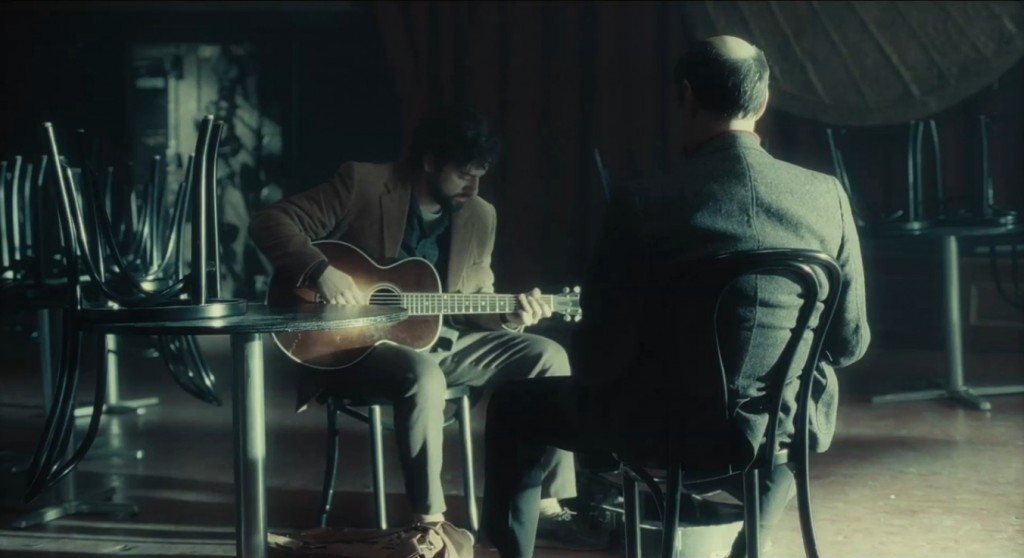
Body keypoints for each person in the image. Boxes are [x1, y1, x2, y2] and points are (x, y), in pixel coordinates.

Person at [481, 35, 871, 558]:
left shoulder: (643, 203)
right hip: (775, 427)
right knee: (791, 409)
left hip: (659, 430)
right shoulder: (827, 196)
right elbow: (848, 344)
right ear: (763, 100)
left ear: (686, 97)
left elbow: (598, 360)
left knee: (513, 405)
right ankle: (752, 541)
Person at [248, 105, 606, 550]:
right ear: (430, 161)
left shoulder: (480, 216)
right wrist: (321, 270)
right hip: (350, 345)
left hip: (440, 342)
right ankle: (430, 523)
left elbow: (475, 299)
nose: (473, 188)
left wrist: (507, 317)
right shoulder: (363, 183)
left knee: (548, 356)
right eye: (463, 175)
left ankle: (547, 506)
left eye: (480, 177)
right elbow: (269, 223)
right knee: (424, 375)